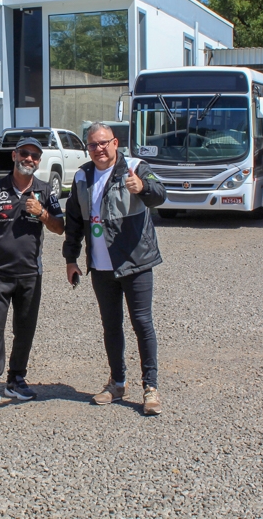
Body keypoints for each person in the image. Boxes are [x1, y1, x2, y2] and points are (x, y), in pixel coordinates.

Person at [63, 122, 166, 415]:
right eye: (93, 144)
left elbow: (161, 194)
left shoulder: (135, 167)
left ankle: (151, 387)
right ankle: (117, 383)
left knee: (142, 324)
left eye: (104, 142)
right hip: (101, 266)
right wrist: (71, 259)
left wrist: (143, 187)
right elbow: (73, 222)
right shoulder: (82, 176)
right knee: (111, 327)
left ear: (115, 142)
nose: (99, 149)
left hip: (135, 262)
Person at [0, 136, 64, 409]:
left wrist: (42, 213)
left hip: (30, 275)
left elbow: (60, 227)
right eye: (25, 153)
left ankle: (16, 380)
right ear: (14, 156)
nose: (30, 159)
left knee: (25, 331)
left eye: (35, 156)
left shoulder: (45, 191)